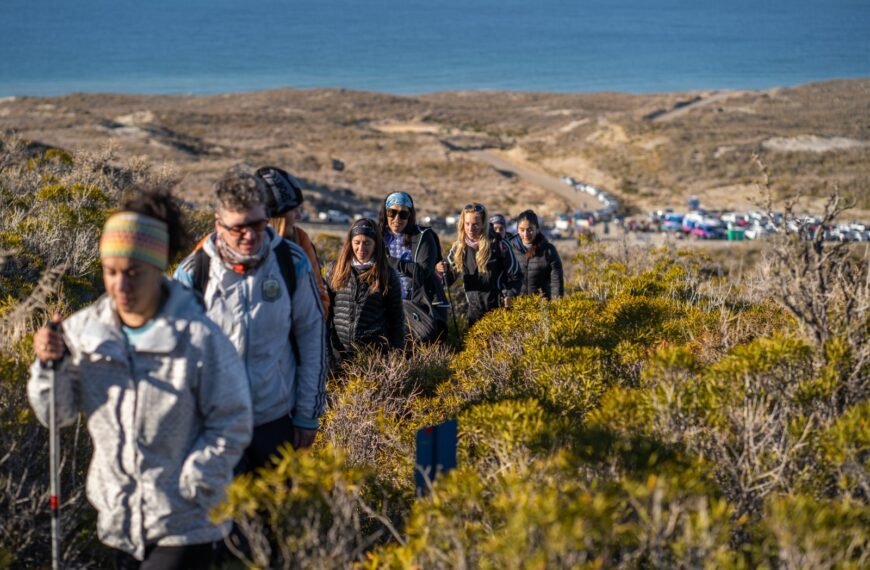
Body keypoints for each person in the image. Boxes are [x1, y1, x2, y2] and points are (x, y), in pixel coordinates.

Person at [28, 188, 253, 569]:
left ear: (158, 267)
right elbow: (57, 414)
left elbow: (233, 419)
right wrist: (50, 366)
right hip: (119, 520)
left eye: (133, 273)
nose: (121, 286)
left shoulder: (198, 338)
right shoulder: (83, 332)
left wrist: (196, 481)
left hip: (186, 522)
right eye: (111, 272)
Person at [174, 171, 327, 473]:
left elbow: (313, 337)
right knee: (221, 519)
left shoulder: (291, 263)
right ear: (219, 224)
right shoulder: (194, 273)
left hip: (275, 421)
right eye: (239, 228)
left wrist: (307, 415)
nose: (251, 236)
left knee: (275, 517)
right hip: (213, 423)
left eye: (258, 224)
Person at [255, 165, 330, 317]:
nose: (299, 216)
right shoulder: (224, 246)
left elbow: (320, 298)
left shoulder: (299, 240)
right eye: (294, 209)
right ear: (277, 213)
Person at [326, 218, 405, 359]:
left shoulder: (387, 274)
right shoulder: (335, 270)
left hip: (374, 355)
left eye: (367, 243)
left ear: (376, 244)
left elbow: (396, 319)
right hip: (339, 352)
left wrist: (396, 356)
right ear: (350, 243)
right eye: (357, 242)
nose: (361, 248)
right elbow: (325, 315)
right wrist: (327, 353)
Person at [377, 191, 448, 342]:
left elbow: (422, 272)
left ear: (410, 215)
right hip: (384, 304)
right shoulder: (377, 235)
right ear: (385, 213)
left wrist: (390, 261)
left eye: (403, 214)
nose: (397, 219)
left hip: (417, 305)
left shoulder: (423, 236)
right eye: (392, 213)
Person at [437, 202, 522, 326]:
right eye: (467, 224)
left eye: (476, 224)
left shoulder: (500, 245)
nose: (471, 229)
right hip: (474, 313)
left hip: (500, 313)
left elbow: (517, 276)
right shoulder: (459, 248)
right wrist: (440, 270)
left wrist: (510, 295)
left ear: (483, 224)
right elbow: (446, 281)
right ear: (462, 223)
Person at [509, 209, 565, 299]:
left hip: (541, 306)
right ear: (517, 229)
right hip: (516, 306)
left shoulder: (548, 250)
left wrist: (556, 305)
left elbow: (556, 282)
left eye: (530, 229)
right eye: (522, 230)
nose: (526, 234)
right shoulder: (509, 249)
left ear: (537, 229)